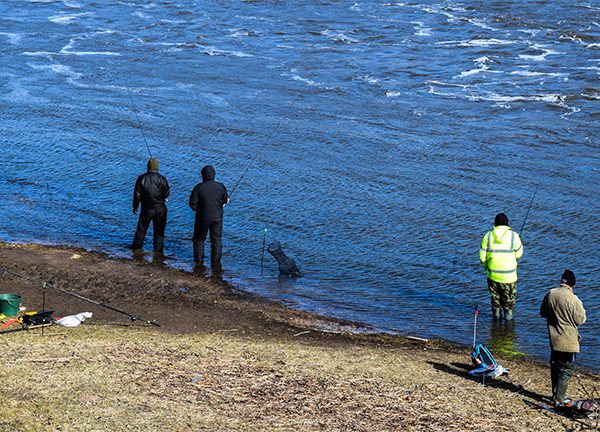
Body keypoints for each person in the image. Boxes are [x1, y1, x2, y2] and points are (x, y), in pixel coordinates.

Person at [540, 270, 586, 406]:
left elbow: (543, 313)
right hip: (569, 342)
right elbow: (580, 320)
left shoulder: (550, 293)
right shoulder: (574, 299)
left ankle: (555, 395)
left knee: (555, 367)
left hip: (554, 340)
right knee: (566, 370)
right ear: (573, 285)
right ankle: (559, 400)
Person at [479, 213, 523, 320]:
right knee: (509, 304)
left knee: (495, 302)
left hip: (493, 276)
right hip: (509, 277)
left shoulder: (488, 236)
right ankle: (508, 326)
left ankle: (496, 322)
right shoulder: (514, 236)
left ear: (495, 224)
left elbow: (482, 256)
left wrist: (486, 268)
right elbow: (519, 254)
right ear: (507, 224)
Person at [188, 165, 228, 266]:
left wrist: (200, 210)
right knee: (216, 240)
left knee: (199, 239)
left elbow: (192, 204)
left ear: (203, 175)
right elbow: (225, 199)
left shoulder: (198, 187)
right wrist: (223, 203)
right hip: (217, 218)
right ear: (214, 175)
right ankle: (216, 263)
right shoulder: (221, 186)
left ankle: (199, 261)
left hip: (202, 217)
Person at [131, 158, 170, 254]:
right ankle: (158, 251)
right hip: (160, 209)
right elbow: (166, 194)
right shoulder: (162, 179)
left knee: (141, 229)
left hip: (146, 209)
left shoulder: (141, 178)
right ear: (157, 167)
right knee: (159, 231)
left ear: (148, 166)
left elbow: (137, 195)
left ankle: (136, 248)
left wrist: (135, 206)